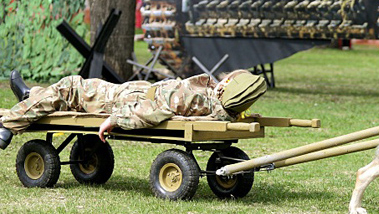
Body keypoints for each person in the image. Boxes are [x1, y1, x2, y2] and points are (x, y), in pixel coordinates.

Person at [0, 69, 267, 150]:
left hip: (127, 100)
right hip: (137, 92)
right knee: (66, 93)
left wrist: (114, 119)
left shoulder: (192, 98)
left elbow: (154, 111)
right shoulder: (222, 107)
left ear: (228, 87)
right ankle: (29, 96)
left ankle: (8, 124)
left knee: (70, 87)